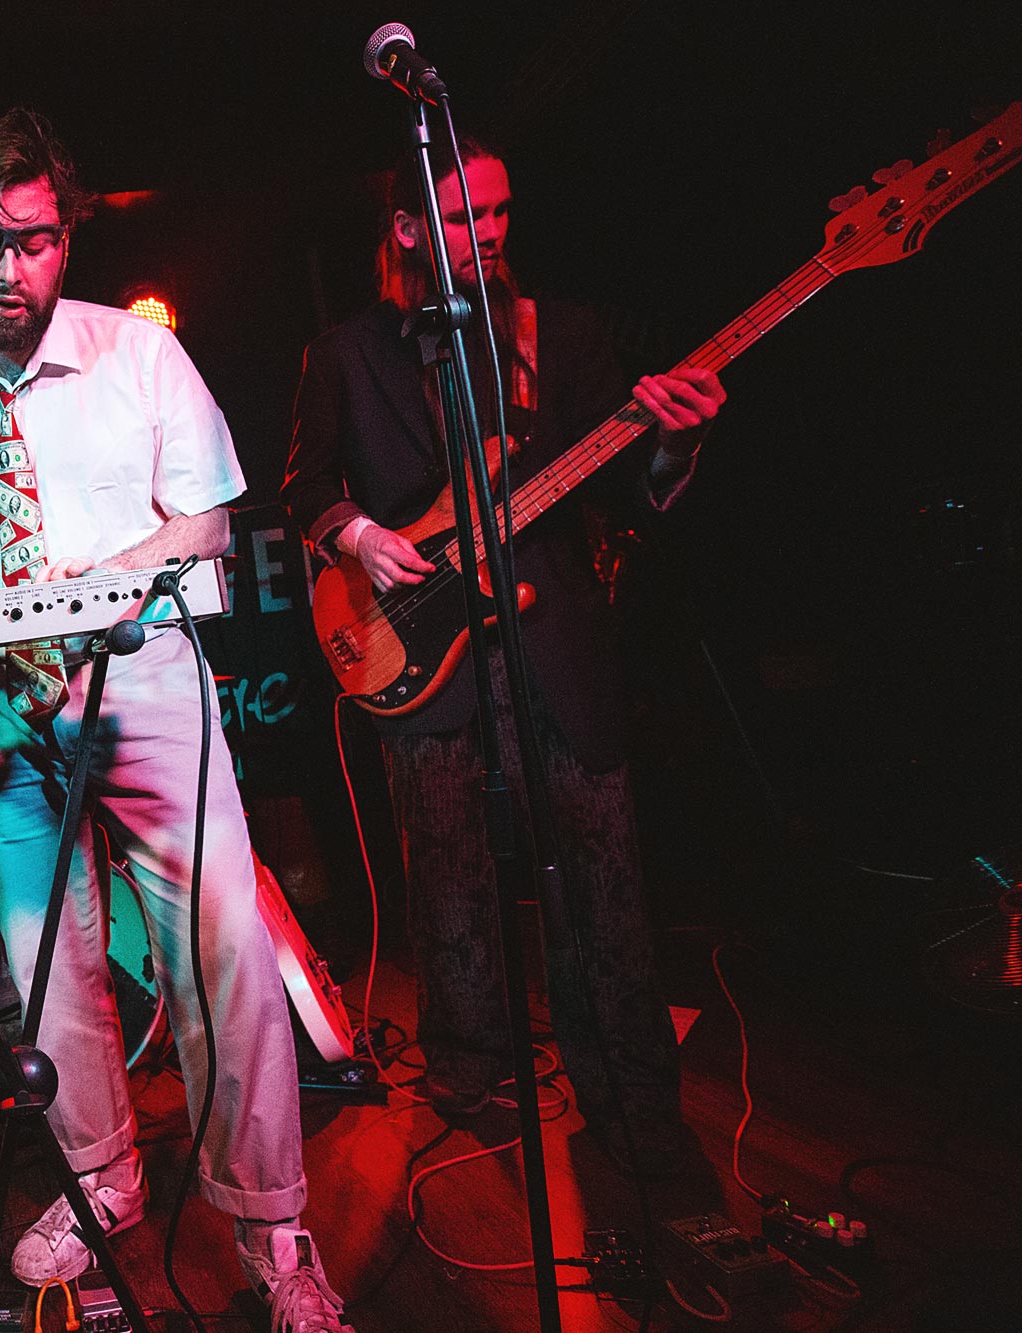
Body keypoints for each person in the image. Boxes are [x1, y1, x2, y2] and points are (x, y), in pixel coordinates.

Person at [0, 109, 346, 1331]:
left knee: (221, 951)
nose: (11, 270)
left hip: (141, 687)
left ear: (64, 240)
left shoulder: (140, 355)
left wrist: (85, 593)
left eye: (35, 242)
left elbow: (204, 525)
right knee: (44, 970)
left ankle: (270, 1225)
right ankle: (98, 1182)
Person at [282, 136, 725, 1173]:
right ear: (406, 229)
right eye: (462, 218)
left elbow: (629, 493)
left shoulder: (555, 334)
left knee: (602, 880)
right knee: (448, 879)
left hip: (552, 642)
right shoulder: (343, 353)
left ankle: (633, 1093)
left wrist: (676, 443)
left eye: (499, 213)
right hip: (419, 642)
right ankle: (467, 1073)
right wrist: (358, 537)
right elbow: (305, 486)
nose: (488, 234)